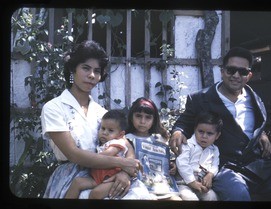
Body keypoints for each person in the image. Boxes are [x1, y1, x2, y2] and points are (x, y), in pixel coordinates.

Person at [169, 47, 271, 201]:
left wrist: (261, 133)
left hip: (256, 166)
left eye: (242, 72)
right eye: (231, 70)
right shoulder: (200, 99)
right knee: (238, 196)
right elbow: (185, 122)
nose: (236, 76)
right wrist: (178, 132)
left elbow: (256, 122)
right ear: (222, 71)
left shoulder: (254, 98)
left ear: (249, 75)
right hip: (223, 168)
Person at [41, 40, 150, 199]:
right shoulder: (54, 108)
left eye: (97, 71)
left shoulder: (102, 113)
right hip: (73, 179)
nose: (92, 75)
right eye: (86, 68)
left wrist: (125, 173)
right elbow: (73, 154)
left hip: (108, 174)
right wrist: (121, 164)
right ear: (73, 69)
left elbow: (125, 143)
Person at [65, 109, 135, 199]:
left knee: (95, 193)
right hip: (97, 178)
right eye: (103, 128)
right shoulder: (104, 144)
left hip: (112, 179)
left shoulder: (118, 142)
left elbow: (107, 154)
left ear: (121, 134)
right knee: (77, 183)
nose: (104, 133)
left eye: (110, 130)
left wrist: (87, 159)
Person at [125, 97, 181, 200]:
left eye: (148, 117)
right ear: (131, 117)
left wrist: (172, 166)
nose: (142, 121)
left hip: (161, 186)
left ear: (154, 119)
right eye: (138, 116)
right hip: (137, 187)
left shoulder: (159, 139)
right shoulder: (126, 138)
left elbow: (164, 161)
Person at [176, 111, 223, 201]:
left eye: (209, 133)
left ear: (217, 135)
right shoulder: (188, 144)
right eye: (201, 131)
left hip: (201, 183)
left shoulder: (214, 149)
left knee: (212, 197)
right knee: (190, 198)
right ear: (195, 130)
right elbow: (182, 163)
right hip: (184, 182)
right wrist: (192, 182)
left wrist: (210, 175)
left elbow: (215, 165)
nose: (204, 136)